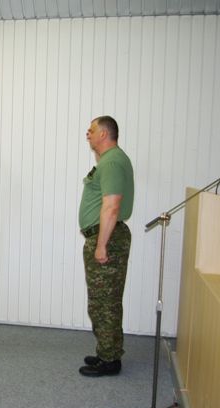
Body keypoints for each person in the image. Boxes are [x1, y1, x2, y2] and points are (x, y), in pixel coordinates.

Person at [78, 116, 134, 377]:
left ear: (103, 134)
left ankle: (110, 360)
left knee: (105, 302)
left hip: (107, 238)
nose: (87, 134)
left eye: (91, 130)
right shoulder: (110, 160)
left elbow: (111, 206)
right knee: (103, 301)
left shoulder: (111, 162)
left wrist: (101, 245)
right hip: (106, 236)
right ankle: (107, 352)